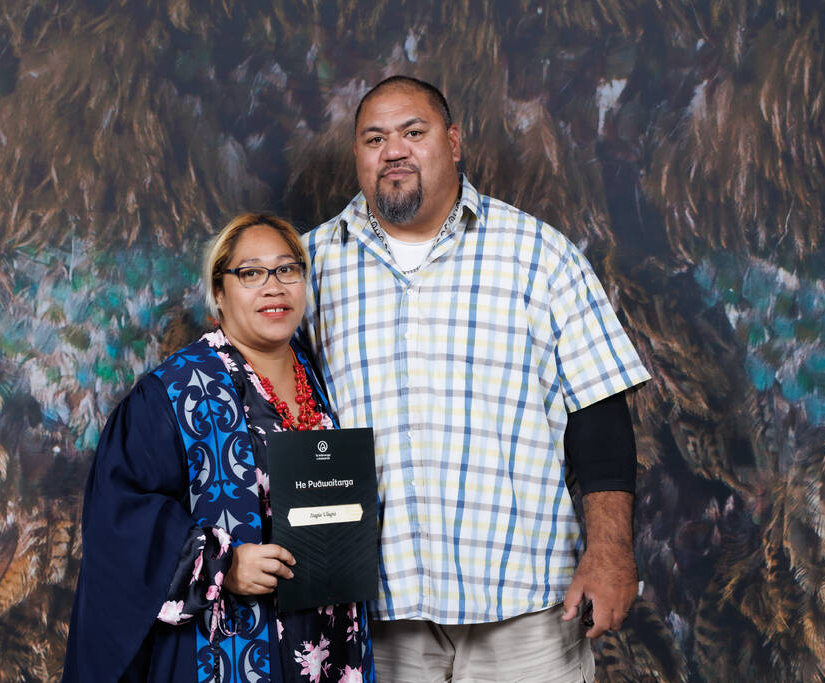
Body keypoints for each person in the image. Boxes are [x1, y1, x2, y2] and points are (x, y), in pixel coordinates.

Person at [302, 76, 651, 682]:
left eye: (414, 132)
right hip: (369, 609)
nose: (394, 151)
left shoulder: (540, 255)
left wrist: (611, 550)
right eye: (374, 138)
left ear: (454, 141)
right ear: (356, 154)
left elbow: (599, 420)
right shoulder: (304, 269)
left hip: (523, 605)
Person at [63, 214, 375, 682]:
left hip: (326, 638)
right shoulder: (175, 392)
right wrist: (221, 565)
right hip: (227, 645)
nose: (274, 287)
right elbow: (120, 516)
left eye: (288, 270)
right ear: (219, 293)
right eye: (250, 273)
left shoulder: (321, 373)